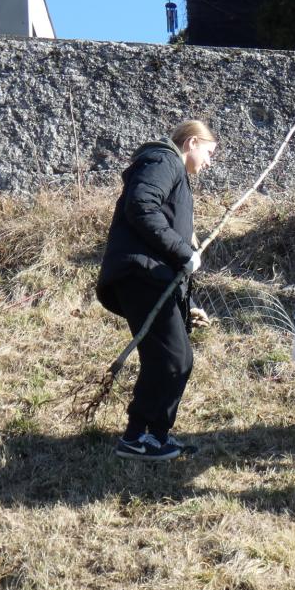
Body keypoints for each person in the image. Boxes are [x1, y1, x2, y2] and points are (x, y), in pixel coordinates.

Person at [95, 120, 217, 461]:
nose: (209, 163)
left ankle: (151, 436)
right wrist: (183, 252)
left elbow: (164, 228)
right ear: (192, 143)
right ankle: (140, 438)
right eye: (209, 153)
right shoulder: (164, 160)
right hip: (140, 275)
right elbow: (141, 207)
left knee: (168, 359)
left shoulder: (173, 172)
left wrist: (187, 302)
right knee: (173, 359)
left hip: (152, 277)